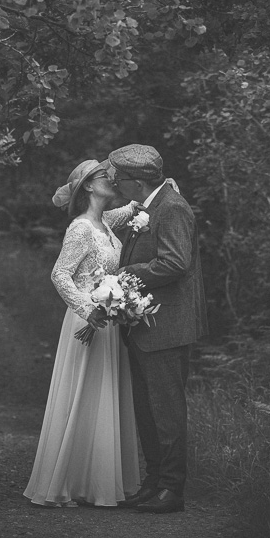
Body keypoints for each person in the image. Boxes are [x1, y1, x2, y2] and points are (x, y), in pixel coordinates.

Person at [23, 159, 140, 507]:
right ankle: (67, 481)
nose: (112, 179)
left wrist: (159, 191)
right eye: (105, 175)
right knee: (80, 397)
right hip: (86, 321)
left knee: (100, 397)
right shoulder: (80, 229)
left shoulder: (106, 222)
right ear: (88, 186)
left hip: (108, 321)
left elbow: (134, 208)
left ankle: (95, 480)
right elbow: (60, 275)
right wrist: (88, 310)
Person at [108, 144, 208, 514]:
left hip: (167, 326)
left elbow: (175, 263)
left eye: (120, 178)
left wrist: (125, 276)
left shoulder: (172, 208)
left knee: (166, 411)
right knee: (147, 410)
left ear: (137, 181)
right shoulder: (150, 206)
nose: (115, 182)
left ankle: (172, 489)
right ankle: (153, 482)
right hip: (144, 323)